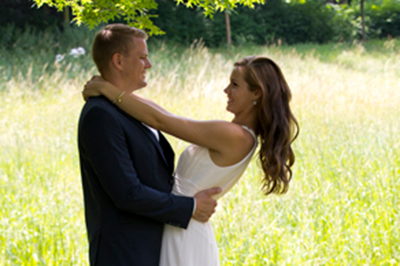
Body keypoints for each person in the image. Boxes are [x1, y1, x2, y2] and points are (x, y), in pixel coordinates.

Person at [83, 53, 300, 265]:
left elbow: (162, 121)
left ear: (257, 94)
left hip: (185, 232)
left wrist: (107, 90)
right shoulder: (235, 133)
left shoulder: (235, 136)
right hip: (179, 222)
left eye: (235, 84)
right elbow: (165, 115)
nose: (226, 90)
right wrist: (113, 90)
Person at [77, 24, 221, 266]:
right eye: (142, 57)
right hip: (125, 254)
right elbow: (127, 193)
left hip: (154, 247)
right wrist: (190, 207)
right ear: (119, 61)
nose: (149, 64)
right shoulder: (100, 115)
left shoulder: (131, 107)